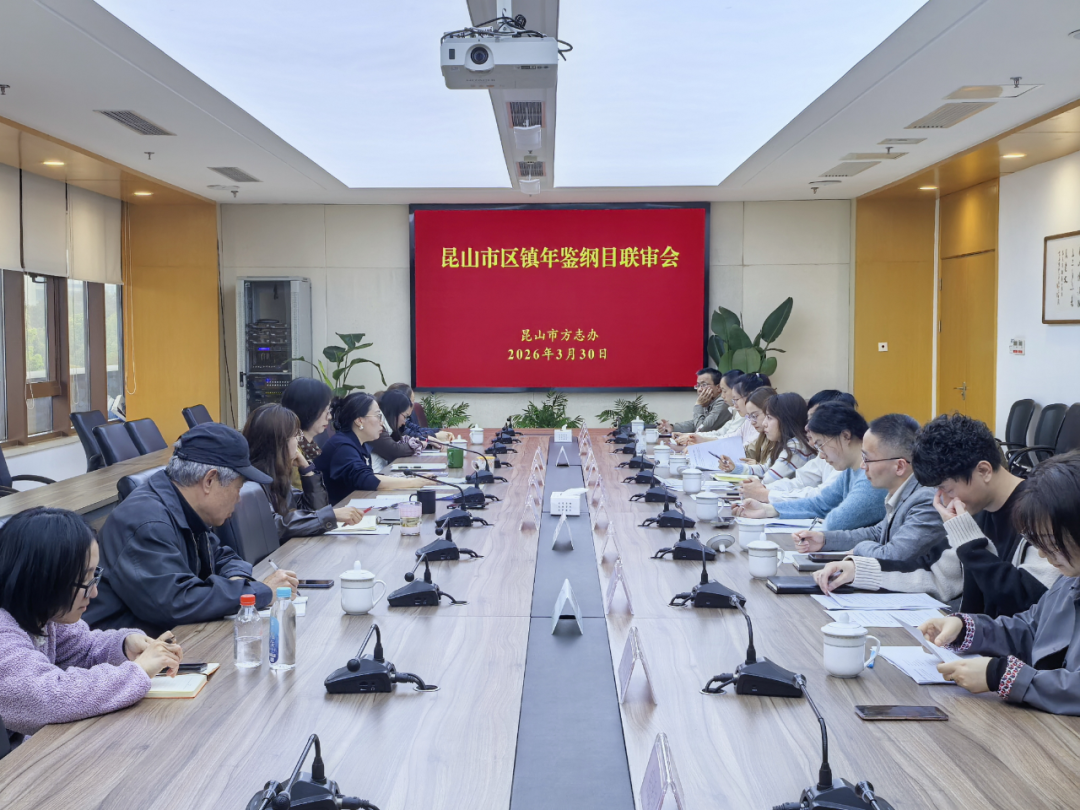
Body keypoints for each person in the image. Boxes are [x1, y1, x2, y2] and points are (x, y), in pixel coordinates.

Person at [817, 414, 1058, 611]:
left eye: (947, 489)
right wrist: (858, 571)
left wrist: (968, 541)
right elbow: (936, 575)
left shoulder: (1044, 513)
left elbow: (1026, 601)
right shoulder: (978, 508)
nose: (943, 500)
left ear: (984, 471)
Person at [85, 424, 298, 636]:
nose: (239, 499)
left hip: (164, 640)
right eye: (238, 488)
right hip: (120, 650)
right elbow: (177, 602)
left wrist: (238, 581)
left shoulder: (182, 506)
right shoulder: (147, 522)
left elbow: (222, 556)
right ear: (209, 480)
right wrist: (259, 592)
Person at [918, 451, 1080, 715]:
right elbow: (1030, 629)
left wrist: (1001, 675)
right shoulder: (1069, 581)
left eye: (1050, 542)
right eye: (1037, 542)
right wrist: (965, 629)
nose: (1042, 554)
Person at [0, 508, 183, 738]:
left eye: (94, 576)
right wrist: (137, 672)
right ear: (44, 579)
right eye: (84, 581)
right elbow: (48, 699)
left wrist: (124, 646)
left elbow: (84, 649)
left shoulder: (43, 614)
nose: (94, 592)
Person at [792, 413, 944, 569]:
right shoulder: (903, 491)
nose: (863, 466)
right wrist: (824, 540)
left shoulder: (926, 500)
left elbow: (893, 556)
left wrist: (858, 550)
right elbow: (877, 533)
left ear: (899, 466)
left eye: (867, 459)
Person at [736, 403, 886, 531]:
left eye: (821, 445)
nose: (821, 455)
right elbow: (821, 504)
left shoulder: (872, 475)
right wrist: (769, 509)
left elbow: (838, 521)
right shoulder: (850, 470)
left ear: (846, 436)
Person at [243, 404, 363, 540]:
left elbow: (314, 511)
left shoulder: (277, 475)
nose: (298, 442)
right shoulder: (252, 481)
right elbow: (273, 525)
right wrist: (331, 515)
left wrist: (307, 469)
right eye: (296, 436)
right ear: (280, 442)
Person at [740, 390, 856, 503]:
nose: (807, 426)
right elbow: (800, 481)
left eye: (815, 419)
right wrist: (764, 490)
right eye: (809, 419)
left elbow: (823, 497)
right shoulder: (826, 452)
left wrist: (766, 494)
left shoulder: (850, 461)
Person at [314, 392, 428, 503]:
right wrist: (414, 482)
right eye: (378, 416)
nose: (382, 423)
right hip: (338, 512)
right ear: (359, 421)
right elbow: (367, 480)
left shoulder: (357, 443)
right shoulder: (342, 447)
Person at [718, 392, 814, 483]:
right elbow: (765, 469)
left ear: (786, 419)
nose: (764, 423)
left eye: (769, 418)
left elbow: (768, 479)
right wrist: (735, 468)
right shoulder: (782, 443)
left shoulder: (795, 448)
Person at [679, 372, 771, 448]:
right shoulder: (748, 420)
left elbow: (739, 448)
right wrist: (700, 439)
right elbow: (728, 438)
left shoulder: (760, 422)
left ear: (750, 396)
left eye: (736, 399)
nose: (722, 396)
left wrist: (702, 444)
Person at [280, 377, 334, 487]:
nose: (329, 417)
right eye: (326, 410)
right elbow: (302, 493)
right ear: (308, 409)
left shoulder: (308, 446)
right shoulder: (291, 451)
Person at [658, 368, 732, 435]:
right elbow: (696, 423)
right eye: (698, 385)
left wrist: (698, 405)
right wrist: (672, 427)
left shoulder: (723, 402)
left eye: (704, 385)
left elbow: (701, 429)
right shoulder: (709, 400)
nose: (699, 389)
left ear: (718, 387)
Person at [369, 390, 426, 473]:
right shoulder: (377, 427)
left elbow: (400, 442)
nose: (404, 422)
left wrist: (426, 442)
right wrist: (418, 444)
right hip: (374, 476)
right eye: (405, 416)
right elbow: (395, 450)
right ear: (394, 411)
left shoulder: (389, 427)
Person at [385, 382, 454, 443]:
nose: (412, 405)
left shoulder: (404, 418)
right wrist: (435, 436)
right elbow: (412, 436)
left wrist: (439, 431)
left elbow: (417, 429)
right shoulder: (393, 422)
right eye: (411, 402)